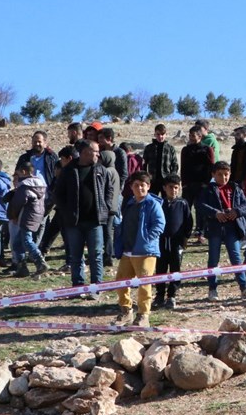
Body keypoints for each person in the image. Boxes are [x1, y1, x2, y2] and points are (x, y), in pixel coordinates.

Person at [55, 139, 115, 297]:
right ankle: (77, 288)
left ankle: (96, 288)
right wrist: (66, 211)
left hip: (95, 221)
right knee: (75, 256)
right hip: (74, 222)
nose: (98, 154)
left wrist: (106, 207)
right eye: (95, 151)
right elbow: (58, 194)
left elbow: (109, 191)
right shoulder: (68, 171)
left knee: (96, 255)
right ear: (84, 153)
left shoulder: (101, 170)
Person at [112, 171, 165, 327]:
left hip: (145, 251)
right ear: (131, 187)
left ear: (148, 186)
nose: (140, 188)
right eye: (136, 185)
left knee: (144, 284)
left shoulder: (152, 204)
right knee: (120, 282)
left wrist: (147, 239)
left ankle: (143, 315)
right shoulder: (129, 203)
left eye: (143, 185)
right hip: (127, 250)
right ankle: (126, 311)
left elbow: (159, 224)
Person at [197, 161, 246, 301]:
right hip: (215, 228)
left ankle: (244, 288)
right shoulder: (208, 189)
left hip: (232, 228)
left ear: (230, 174)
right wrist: (215, 213)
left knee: (236, 258)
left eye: (226, 174)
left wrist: (236, 212)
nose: (223, 178)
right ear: (213, 174)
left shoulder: (236, 188)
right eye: (219, 175)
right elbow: (200, 205)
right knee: (213, 259)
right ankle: (212, 289)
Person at [154, 175, 193, 309]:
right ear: (164, 188)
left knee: (175, 269)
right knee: (160, 268)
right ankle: (159, 295)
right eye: (170, 187)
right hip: (161, 242)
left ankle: (172, 295)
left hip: (177, 243)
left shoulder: (183, 203)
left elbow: (188, 222)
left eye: (176, 187)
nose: (174, 190)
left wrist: (184, 239)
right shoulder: (159, 203)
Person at [7, 162, 50, 277]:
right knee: (17, 243)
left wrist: (13, 215)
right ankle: (22, 268)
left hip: (27, 215)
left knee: (26, 240)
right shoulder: (40, 183)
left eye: (19, 173)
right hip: (37, 214)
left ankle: (40, 262)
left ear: (24, 172)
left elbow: (18, 202)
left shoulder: (25, 185)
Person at [181, 124, 215, 242]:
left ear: (200, 136)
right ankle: (185, 233)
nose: (191, 137)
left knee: (201, 209)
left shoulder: (207, 149)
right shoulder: (185, 150)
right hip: (188, 184)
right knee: (186, 209)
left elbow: (211, 166)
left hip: (202, 184)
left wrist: (206, 182)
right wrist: (184, 183)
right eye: (190, 135)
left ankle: (201, 233)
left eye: (193, 135)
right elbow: (183, 167)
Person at [143, 123, 179, 195]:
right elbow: (144, 163)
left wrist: (172, 177)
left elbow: (175, 164)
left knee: (167, 201)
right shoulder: (149, 148)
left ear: (166, 134)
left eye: (162, 134)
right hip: (152, 180)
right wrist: (146, 176)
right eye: (158, 134)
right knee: (152, 200)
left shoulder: (170, 148)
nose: (160, 136)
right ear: (155, 134)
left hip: (166, 180)